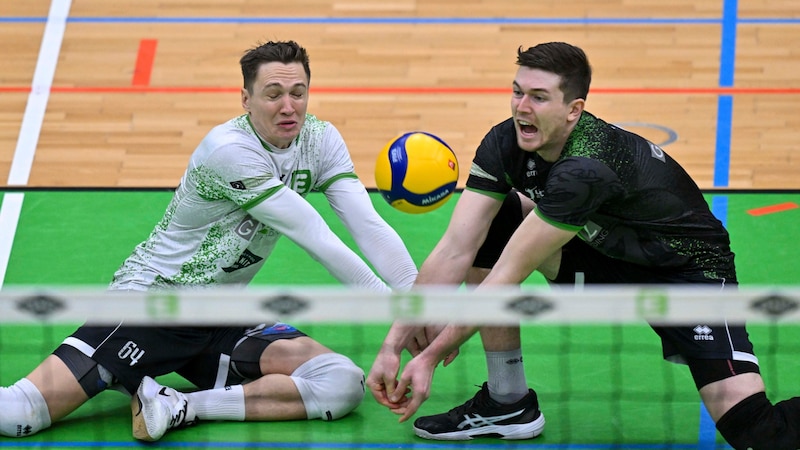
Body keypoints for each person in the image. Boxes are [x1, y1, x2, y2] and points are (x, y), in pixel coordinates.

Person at [366, 41, 800, 450]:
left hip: (687, 276)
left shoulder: (587, 167)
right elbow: (455, 249)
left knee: (754, 430)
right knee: (494, 222)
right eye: (517, 92)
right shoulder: (504, 143)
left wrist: (428, 358)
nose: (521, 107)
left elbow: (504, 278)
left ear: (574, 110)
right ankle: (507, 401)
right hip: (603, 257)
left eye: (538, 97)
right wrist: (393, 342)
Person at [0, 40, 418, 442]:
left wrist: (422, 304)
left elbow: (369, 225)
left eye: (298, 92)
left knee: (340, 382)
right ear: (246, 98)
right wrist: (401, 321)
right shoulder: (229, 151)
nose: (288, 107)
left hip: (221, 314)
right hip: (153, 306)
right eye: (273, 94)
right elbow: (316, 236)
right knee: (20, 414)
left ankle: (179, 405)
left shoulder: (320, 140)